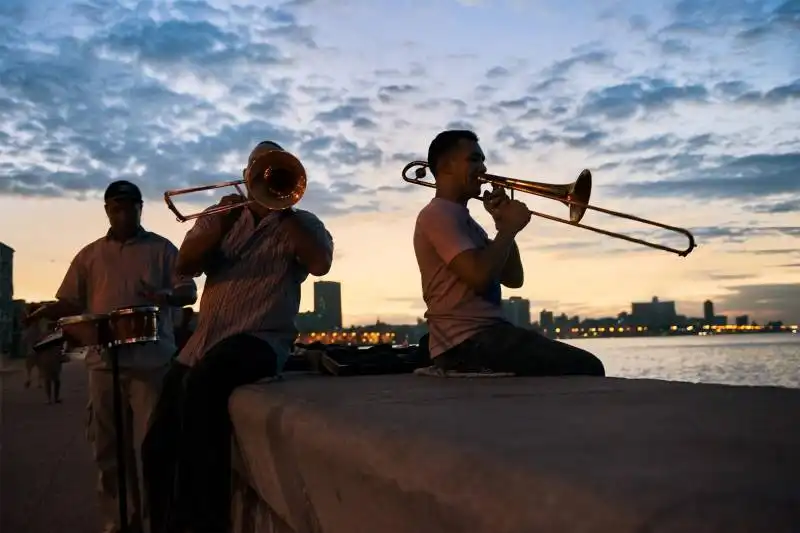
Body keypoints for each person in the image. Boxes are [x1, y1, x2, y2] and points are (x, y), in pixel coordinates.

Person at [141, 140, 334, 533]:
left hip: (260, 340)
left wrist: (284, 214)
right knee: (156, 445)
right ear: (246, 174)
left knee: (204, 389)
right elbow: (185, 264)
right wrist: (223, 224)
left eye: (273, 168)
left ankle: (200, 523)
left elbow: (320, 263)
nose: (266, 175)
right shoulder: (221, 215)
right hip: (203, 342)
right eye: (258, 168)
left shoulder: (303, 223)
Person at [25, 180, 198, 533]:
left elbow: (188, 291)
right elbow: (71, 301)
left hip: (152, 365)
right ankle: (120, 524)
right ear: (106, 210)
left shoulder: (163, 249)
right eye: (116, 207)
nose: (124, 212)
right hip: (104, 365)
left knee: (156, 450)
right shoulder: (89, 255)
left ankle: (159, 522)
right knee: (108, 453)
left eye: (130, 206)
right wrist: (47, 308)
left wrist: (163, 296)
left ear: (140, 209)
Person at [413, 130, 605, 376]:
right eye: (473, 159)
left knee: (584, 366)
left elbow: (514, 279)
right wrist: (508, 230)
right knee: (588, 367)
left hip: (484, 335)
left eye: (482, 160)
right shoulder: (438, 214)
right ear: (445, 166)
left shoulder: (465, 221)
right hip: (466, 341)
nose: (483, 168)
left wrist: (502, 225)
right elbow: (479, 277)